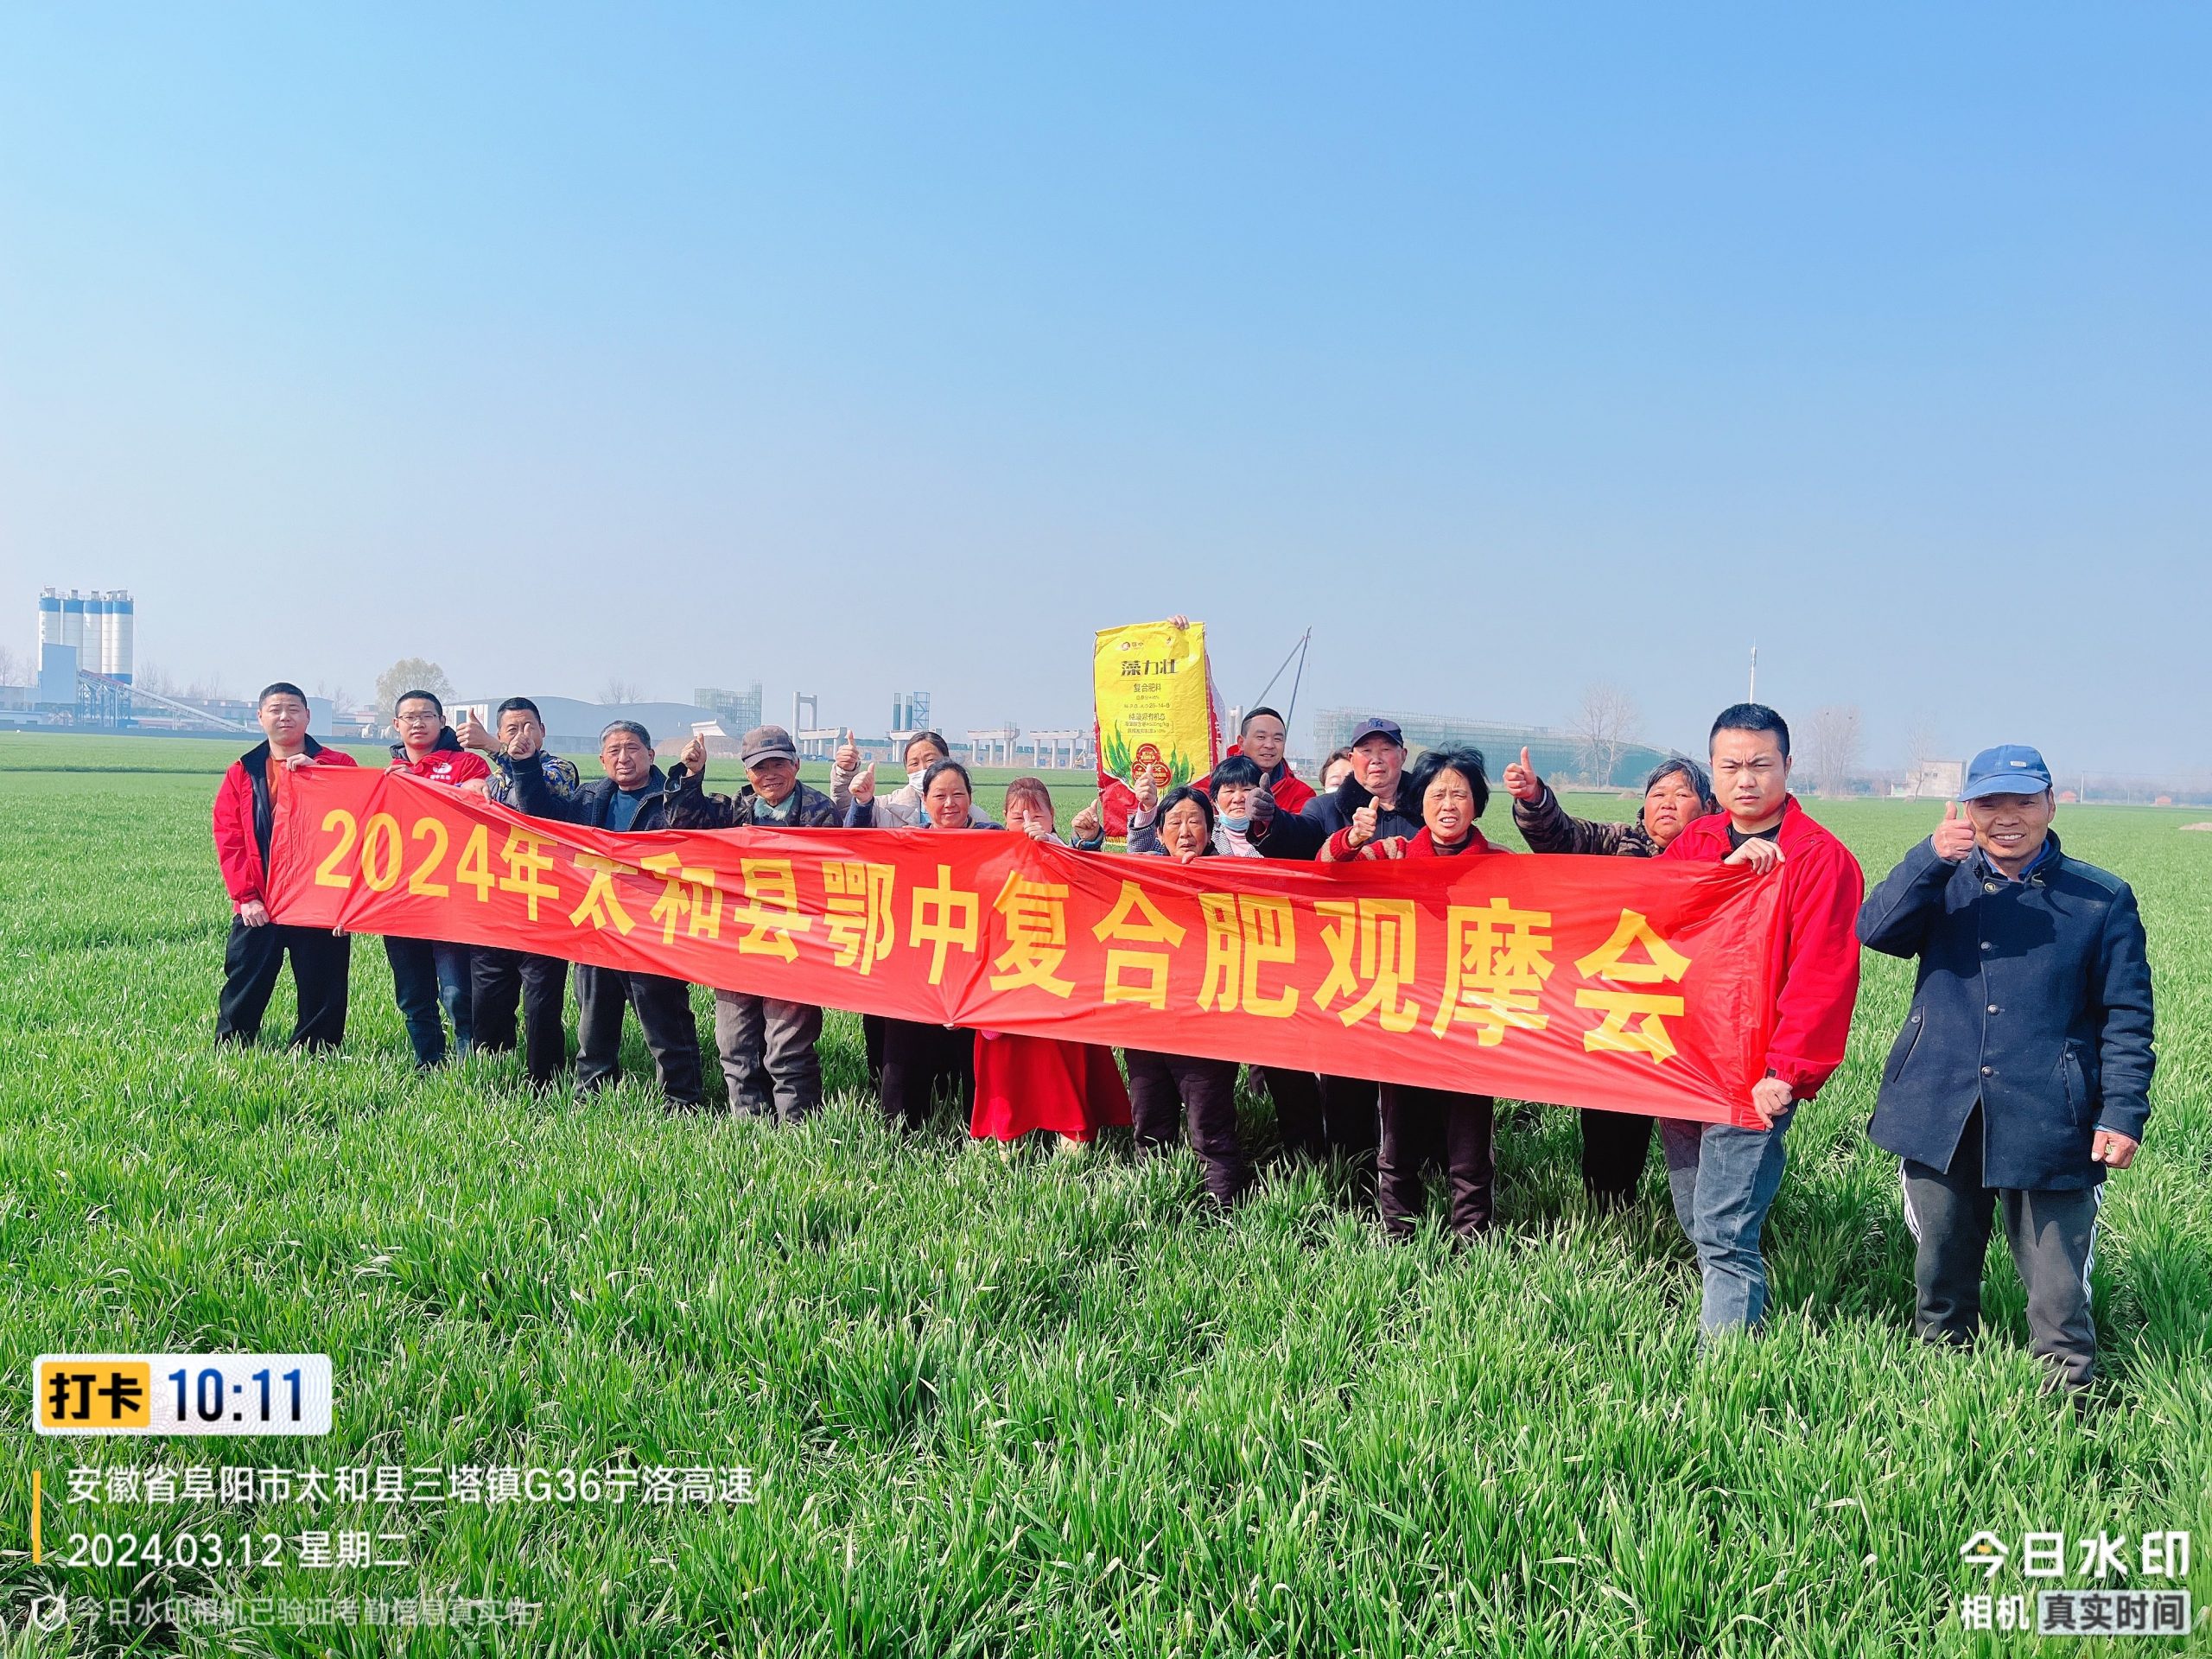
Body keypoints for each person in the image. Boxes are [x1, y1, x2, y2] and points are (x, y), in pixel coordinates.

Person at [1857, 746, 2154, 1393]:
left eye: (2024, 801)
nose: (2008, 817)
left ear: (2051, 805)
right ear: (1968, 810)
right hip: (1942, 1108)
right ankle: (1943, 1396)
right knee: (1940, 1275)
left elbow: (2127, 1016)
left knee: (2058, 1291)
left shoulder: (2099, 899)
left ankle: (2069, 1408)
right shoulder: (1942, 882)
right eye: (1990, 803)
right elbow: (1875, 931)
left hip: (2052, 1116)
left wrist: (2122, 1112)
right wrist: (1930, 857)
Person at [1657, 703, 1865, 1336]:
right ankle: (1731, 1322)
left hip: (1753, 1074)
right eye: (1731, 766)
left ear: (1787, 765)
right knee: (1696, 1212)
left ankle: (1726, 1370)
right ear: (1712, 771)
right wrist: (1717, 879)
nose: (1745, 779)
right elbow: (1648, 918)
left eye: (1759, 764)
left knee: (1724, 1228)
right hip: (1683, 1059)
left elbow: (1822, 977)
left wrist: (1786, 1072)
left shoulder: (1820, 859)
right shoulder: (1695, 843)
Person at [1498, 748, 1721, 1209]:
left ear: (1707, 807)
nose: (1667, 802)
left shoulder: (1726, 857)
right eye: (1658, 793)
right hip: (1623, 1013)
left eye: (1682, 794)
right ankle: (1610, 1212)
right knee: (1613, 1126)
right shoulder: (1617, 844)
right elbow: (1560, 836)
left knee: (1699, 1129)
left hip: (1696, 1017)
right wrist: (1534, 799)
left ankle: (1706, 1221)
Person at [1126, 756, 1328, 1160]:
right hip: (1210, 981)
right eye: (1228, 791)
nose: (1238, 798)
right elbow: (1143, 856)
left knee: (1287, 1073)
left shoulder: (1275, 835)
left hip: (1267, 974)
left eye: (1246, 789)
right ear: (1215, 801)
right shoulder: (1206, 841)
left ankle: (1307, 1156)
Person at [1340, 749, 1505, 1239]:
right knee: (1398, 1133)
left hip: (1470, 1017)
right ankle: (1398, 1231)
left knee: (1470, 1138)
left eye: (1460, 794)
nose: (1448, 804)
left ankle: (1472, 1235)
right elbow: (1330, 873)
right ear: (1421, 801)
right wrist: (1351, 839)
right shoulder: (1391, 854)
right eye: (1437, 794)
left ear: (1477, 803)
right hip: (1404, 1013)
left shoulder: (1502, 865)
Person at [510, 720, 705, 1109]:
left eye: (632, 748)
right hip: (598, 926)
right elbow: (543, 820)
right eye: (614, 751)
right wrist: (526, 764)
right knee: (594, 1023)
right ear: (602, 760)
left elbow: (693, 823)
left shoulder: (668, 797)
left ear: (651, 755)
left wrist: (692, 777)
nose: (623, 757)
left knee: (664, 1021)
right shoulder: (589, 799)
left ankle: (682, 1100)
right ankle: (592, 1095)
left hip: (651, 929)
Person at [663, 725, 839, 1124]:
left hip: (793, 945)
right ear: (747, 773)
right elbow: (683, 822)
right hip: (737, 944)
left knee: (788, 1047)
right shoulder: (733, 810)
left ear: (796, 764)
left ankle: (798, 1127)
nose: (770, 774)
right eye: (760, 767)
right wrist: (692, 775)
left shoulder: (819, 811)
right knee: (734, 1043)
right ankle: (750, 1126)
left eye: (779, 764)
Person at [969, 779, 1134, 1152]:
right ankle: (1007, 1134)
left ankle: (1071, 1131)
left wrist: (1055, 848)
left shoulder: (1065, 853)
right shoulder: (988, 860)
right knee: (1007, 1064)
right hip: (1007, 979)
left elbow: (1091, 886)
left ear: (1053, 815)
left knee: (1061, 1061)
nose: (1028, 823)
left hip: (1059, 978)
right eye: (1017, 816)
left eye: (1037, 815)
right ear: (1003, 818)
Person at [1117, 785, 1253, 1206]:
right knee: (1149, 1124)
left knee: (1210, 1129)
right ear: (1159, 834)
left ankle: (1223, 1213)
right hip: (1147, 1021)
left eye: (1195, 821)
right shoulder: (1142, 876)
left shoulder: (1233, 875)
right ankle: (1152, 1210)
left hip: (1205, 1025)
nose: (1185, 830)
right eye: (1174, 822)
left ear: (1211, 831)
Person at [213, 683, 359, 1049]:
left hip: (320, 900)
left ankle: (317, 1053)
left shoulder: (339, 765)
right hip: (261, 899)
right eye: (275, 710)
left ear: (307, 717)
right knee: (245, 977)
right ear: (260, 717)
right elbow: (229, 836)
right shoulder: (243, 770)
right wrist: (246, 896)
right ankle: (233, 1047)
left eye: (293, 709)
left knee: (323, 982)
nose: (284, 717)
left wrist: (320, 773)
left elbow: (360, 816)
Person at [457, 697, 581, 1089]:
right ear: (498, 732)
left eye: (529, 727)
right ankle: (494, 1080)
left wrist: (498, 750)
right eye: (511, 730)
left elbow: (536, 808)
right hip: (494, 907)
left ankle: (545, 1082)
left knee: (541, 1006)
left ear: (543, 732)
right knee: (488, 1004)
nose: (521, 736)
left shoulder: (561, 770)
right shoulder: (491, 784)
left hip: (543, 907)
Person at [876, 760, 991, 1128]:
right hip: (919, 966)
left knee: (979, 1059)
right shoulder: (908, 844)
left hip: (975, 967)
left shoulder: (995, 840)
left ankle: (981, 1134)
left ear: (971, 798)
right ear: (924, 800)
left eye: (958, 794)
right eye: (940, 795)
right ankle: (902, 1131)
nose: (950, 803)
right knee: (905, 1050)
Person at [385, 690, 488, 1067]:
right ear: (396, 725)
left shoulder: (467, 764)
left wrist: (465, 789)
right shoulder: (389, 774)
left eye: (426, 716)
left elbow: (479, 811)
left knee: (457, 992)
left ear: (442, 722)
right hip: (400, 900)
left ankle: (468, 1066)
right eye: (409, 717)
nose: (418, 723)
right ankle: (427, 1061)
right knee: (413, 994)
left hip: (451, 898)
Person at [1204, 706, 1315, 813]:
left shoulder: (1301, 794)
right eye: (1261, 737)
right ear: (1241, 743)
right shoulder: (1210, 781)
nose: (1269, 745)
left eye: (1277, 739)